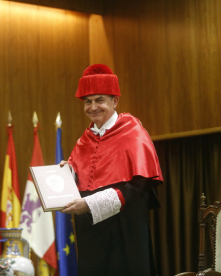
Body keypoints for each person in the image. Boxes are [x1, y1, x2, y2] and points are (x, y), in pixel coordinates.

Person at [60, 64, 163, 276]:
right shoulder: (83, 141)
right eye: (87, 102)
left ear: (114, 101)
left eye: (99, 100)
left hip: (124, 233)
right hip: (91, 236)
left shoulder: (133, 132)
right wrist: (67, 175)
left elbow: (137, 188)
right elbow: (82, 183)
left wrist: (89, 204)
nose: (92, 107)